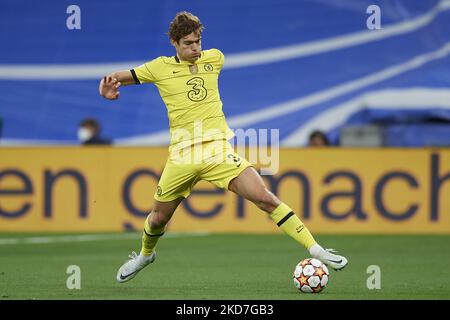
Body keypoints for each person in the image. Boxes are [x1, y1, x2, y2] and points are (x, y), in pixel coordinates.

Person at [99, 11, 348, 283]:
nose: (195, 48)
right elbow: (119, 77)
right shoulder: (159, 67)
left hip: (217, 150)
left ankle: (316, 249)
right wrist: (108, 87)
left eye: (197, 41)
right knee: (158, 218)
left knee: (264, 198)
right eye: (187, 44)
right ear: (174, 43)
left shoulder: (214, 59)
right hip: (182, 155)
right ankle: (145, 256)